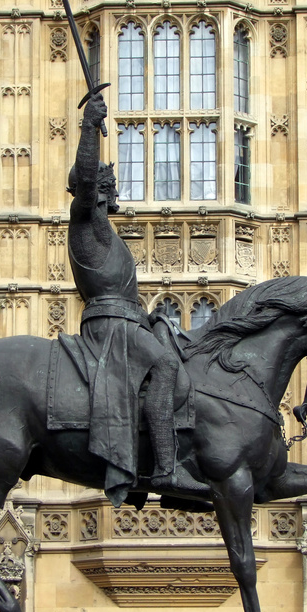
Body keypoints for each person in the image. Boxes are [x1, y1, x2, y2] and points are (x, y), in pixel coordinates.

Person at [64, 92, 206, 507]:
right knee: (163, 365)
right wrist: (90, 127)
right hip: (110, 327)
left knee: (174, 351)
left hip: (128, 322)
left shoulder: (106, 232)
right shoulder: (85, 219)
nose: (109, 187)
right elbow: (86, 179)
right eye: (105, 184)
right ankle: (165, 468)